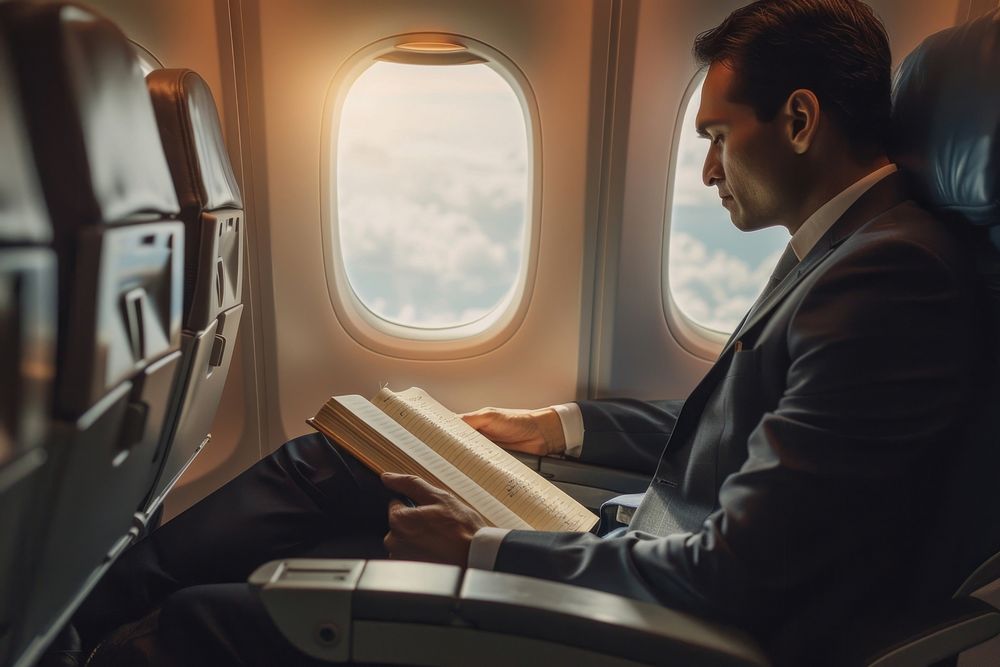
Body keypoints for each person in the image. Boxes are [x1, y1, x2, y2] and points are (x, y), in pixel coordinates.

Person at [76, 0, 977, 664]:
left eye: (716, 134)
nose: (706, 168)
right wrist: (554, 427)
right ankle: (91, 614)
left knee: (218, 620)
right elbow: (749, 423)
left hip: (669, 619)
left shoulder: (889, 279)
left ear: (801, 119)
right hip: (639, 547)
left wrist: (483, 548)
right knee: (341, 458)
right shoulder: (856, 247)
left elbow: (736, 575)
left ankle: (109, 636)